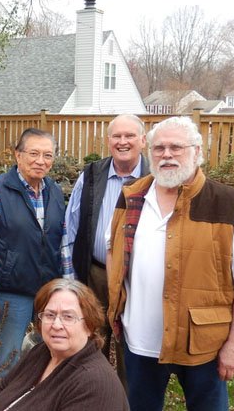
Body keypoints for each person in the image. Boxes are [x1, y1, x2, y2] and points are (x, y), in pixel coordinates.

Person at [107, 116, 234, 411]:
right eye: (159, 148)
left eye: (176, 147)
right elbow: (115, 256)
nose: (167, 155)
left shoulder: (225, 204)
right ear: (149, 152)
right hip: (139, 342)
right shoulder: (131, 197)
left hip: (203, 346)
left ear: (197, 151)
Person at [0, 128, 65, 383]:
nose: (40, 161)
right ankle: (3, 403)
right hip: (12, 291)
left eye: (47, 155)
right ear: (17, 155)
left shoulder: (54, 191)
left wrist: (68, 286)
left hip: (49, 291)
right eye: (33, 153)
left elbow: (63, 242)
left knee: (51, 354)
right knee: (7, 361)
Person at [65, 114, 148, 385]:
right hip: (96, 275)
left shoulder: (156, 178)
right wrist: (70, 278)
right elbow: (71, 226)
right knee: (92, 340)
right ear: (108, 140)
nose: (123, 142)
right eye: (117, 136)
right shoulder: (91, 176)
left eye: (130, 136)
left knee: (132, 346)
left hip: (137, 278)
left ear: (143, 141)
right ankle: (92, 394)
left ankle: (128, 399)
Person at [0, 279, 129, 411]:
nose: (56, 325)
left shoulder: (96, 384)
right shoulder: (41, 353)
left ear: (89, 326)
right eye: (50, 315)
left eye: (68, 317)